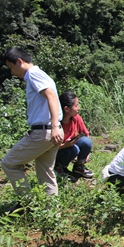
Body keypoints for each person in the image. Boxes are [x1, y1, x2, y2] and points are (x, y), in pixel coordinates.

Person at [1, 47, 64, 197]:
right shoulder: (40, 74)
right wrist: (56, 127)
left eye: (11, 67)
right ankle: (50, 209)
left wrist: (54, 126)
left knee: (9, 163)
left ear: (19, 61)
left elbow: (51, 97)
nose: (12, 72)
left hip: (44, 132)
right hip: (51, 131)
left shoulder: (33, 74)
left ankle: (28, 202)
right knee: (46, 172)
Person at [55, 91, 94, 179]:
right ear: (66, 109)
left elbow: (86, 135)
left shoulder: (76, 118)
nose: (78, 108)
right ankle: (59, 167)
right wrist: (65, 145)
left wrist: (86, 154)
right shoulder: (56, 123)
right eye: (76, 106)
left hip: (71, 147)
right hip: (57, 152)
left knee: (86, 141)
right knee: (74, 149)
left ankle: (79, 166)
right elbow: (49, 148)